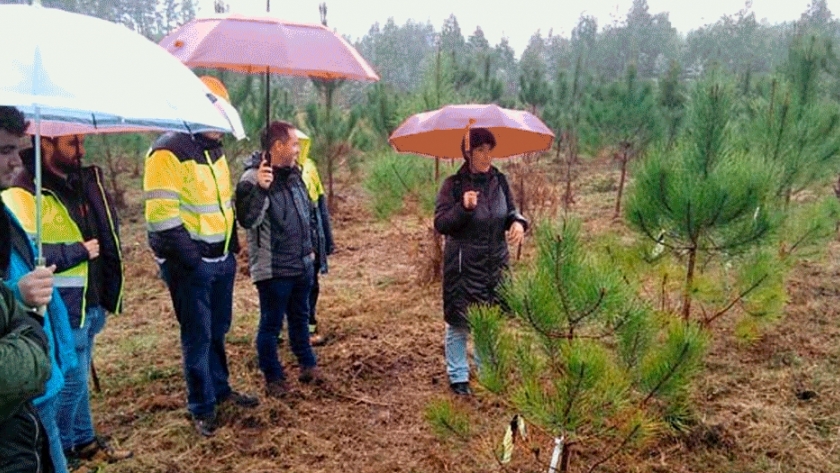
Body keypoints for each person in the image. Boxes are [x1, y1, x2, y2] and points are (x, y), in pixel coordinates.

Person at [4, 131, 132, 467]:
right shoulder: (22, 192)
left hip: (85, 303)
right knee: (68, 389)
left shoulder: (83, 181)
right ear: (45, 143)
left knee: (76, 384)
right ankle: (64, 449)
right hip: (59, 309)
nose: (81, 150)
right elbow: (33, 252)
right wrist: (77, 252)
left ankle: (81, 441)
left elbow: (105, 235)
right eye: (71, 143)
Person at [143, 76, 258, 437]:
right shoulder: (168, 152)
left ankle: (220, 390)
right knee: (198, 335)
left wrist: (230, 249)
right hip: (190, 265)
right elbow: (162, 217)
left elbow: (222, 206)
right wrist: (193, 260)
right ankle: (202, 406)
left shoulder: (214, 152)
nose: (222, 125)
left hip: (220, 259)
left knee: (218, 331)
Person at [0, 106, 77, 473]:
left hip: (34, 382)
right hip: (17, 390)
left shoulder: (4, 215)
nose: (16, 162)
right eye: (4, 151)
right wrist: (17, 295)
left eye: (17, 150)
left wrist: (60, 357)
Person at [433, 128, 527, 396]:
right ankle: (458, 375)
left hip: (494, 263)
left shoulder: (500, 180)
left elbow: (510, 211)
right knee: (460, 322)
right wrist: (463, 207)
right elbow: (441, 224)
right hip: (463, 265)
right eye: (479, 150)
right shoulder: (453, 185)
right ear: (468, 153)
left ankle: (487, 374)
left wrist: (518, 223)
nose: (486, 156)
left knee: (488, 319)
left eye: (489, 149)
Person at [236, 121, 322, 398]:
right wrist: (261, 189)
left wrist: (311, 251)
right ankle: (274, 378)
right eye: (294, 144)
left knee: (300, 319)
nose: (298, 149)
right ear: (278, 146)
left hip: (301, 263)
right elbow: (248, 220)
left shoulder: (294, 174)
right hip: (274, 269)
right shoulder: (253, 178)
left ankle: (308, 365)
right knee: (271, 325)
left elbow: (306, 214)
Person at [295, 130, 334, 346]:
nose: (297, 149)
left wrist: (327, 239)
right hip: (291, 245)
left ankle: (309, 325)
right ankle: (290, 329)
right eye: (293, 144)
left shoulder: (309, 167)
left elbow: (320, 205)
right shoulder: (273, 170)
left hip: (312, 236)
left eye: (299, 144)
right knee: (289, 288)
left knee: (312, 283)